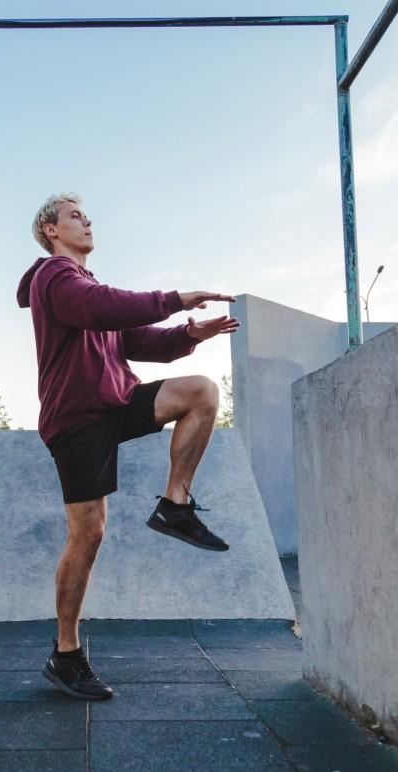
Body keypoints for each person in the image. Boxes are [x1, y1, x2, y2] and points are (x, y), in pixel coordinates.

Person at [16, 192, 240, 701]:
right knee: (88, 534)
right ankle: (66, 654)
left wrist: (189, 333)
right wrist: (174, 298)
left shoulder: (88, 287)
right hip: (76, 419)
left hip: (114, 402)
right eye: (75, 215)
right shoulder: (55, 277)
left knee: (201, 391)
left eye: (87, 215)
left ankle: (174, 505)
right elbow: (100, 309)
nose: (87, 221)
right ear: (51, 230)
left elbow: (136, 339)